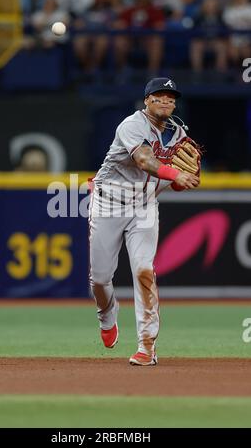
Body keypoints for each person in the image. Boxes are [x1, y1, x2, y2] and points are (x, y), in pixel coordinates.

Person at [89, 77, 200, 366]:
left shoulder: (177, 135)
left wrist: (181, 181)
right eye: (159, 96)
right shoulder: (132, 125)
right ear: (147, 100)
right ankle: (106, 316)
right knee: (100, 279)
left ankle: (147, 346)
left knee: (144, 270)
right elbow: (145, 160)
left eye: (170, 97)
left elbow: (170, 181)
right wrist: (176, 175)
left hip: (144, 206)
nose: (165, 101)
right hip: (108, 204)